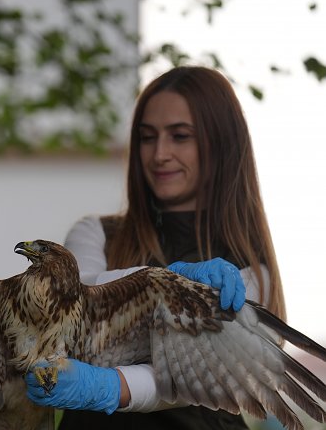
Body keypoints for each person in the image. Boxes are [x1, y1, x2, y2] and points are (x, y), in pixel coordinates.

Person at [25, 66, 285, 429]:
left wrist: (112, 386)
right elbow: (69, 305)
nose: (159, 153)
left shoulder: (250, 274)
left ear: (221, 143)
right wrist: (159, 283)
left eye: (180, 136)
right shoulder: (95, 234)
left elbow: (202, 374)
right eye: (147, 137)